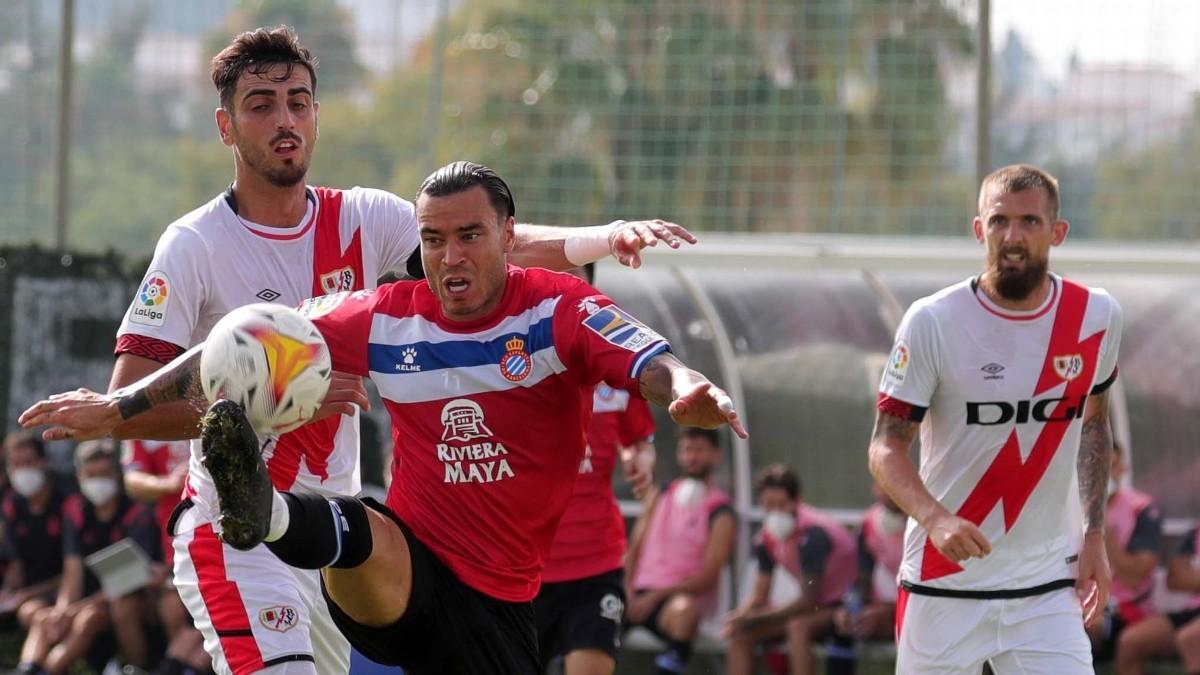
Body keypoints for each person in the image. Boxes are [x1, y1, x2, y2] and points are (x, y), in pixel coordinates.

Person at [31, 25, 692, 675]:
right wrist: (277, 396)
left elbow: (484, 245)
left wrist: (600, 238)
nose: (284, 119)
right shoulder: (193, 245)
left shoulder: (365, 218)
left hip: (328, 542)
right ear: (226, 127)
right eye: (261, 105)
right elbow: (134, 396)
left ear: (317, 115)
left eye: (298, 101)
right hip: (234, 531)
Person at [869, 164, 1123, 673]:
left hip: (1045, 587)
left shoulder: (1096, 316)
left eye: (1029, 222)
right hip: (945, 583)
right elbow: (885, 448)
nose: (1013, 236)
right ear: (978, 229)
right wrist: (936, 519)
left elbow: (1093, 422)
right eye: (999, 220)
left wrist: (1093, 533)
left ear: (1057, 232)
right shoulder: (932, 321)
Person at [534, 263, 658, 675]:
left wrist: (641, 456)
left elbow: (639, 437)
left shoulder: (614, 358)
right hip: (518, 564)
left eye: (573, 278)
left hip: (595, 563)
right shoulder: (509, 355)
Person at [14, 441, 163, 675]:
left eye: (105, 474)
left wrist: (77, 609)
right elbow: (72, 569)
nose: (98, 482)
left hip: (126, 600)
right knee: (45, 618)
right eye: (91, 475)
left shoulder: (137, 514)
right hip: (86, 600)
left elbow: (131, 578)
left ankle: (52, 669)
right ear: (80, 476)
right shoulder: (76, 512)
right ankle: (29, 668)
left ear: (117, 474)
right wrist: (63, 610)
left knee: (90, 618)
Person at [723, 464, 857, 675]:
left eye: (781, 504)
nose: (775, 512)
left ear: (797, 500)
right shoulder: (766, 537)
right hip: (814, 608)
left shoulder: (813, 535)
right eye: (768, 505)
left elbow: (807, 600)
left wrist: (754, 618)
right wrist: (739, 617)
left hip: (842, 607)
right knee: (741, 634)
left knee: (798, 626)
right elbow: (760, 595)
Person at [624, 427, 737, 675]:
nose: (692, 457)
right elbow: (634, 549)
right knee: (593, 612)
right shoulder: (660, 494)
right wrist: (628, 590)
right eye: (687, 450)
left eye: (699, 450)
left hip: (675, 601)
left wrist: (654, 597)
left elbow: (708, 577)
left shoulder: (721, 511)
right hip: (637, 595)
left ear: (715, 455)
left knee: (684, 613)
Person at [122, 440, 210, 675]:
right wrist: (168, 483)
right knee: (177, 608)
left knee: (214, 614)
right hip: (181, 545)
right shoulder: (143, 421)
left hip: (223, 537)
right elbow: (132, 480)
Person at [1087, 442, 1162, 665]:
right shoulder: (1069, 508)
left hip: (1126, 609)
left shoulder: (1141, 508)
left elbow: (1135, 576)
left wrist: (1103, 537)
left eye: (1109, 465)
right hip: (1077, 601)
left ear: (1121, 468)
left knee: (1086, 625)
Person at [1110, 521, 1200, 674]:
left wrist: (1192, 578)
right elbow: (1174, 579)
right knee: (1131, 641)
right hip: (1193, 610)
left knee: (1190, 639)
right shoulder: (1194, 534)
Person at [0, 432, 67, 629]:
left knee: (32, 613)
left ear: (43, 462)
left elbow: (75, 572)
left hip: (62, 594)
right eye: (16, 464)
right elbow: (15, 564)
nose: (22, 471)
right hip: (25, 594)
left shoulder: (67, 506)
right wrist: (8, 592)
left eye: (28, 462)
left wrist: (29, 594)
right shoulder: (11, 505)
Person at [832, 484, 906, 647]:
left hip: (924, 604)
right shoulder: (868, 523)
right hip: (895, 605)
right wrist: (852, 610)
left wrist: (887, 611)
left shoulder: (926, 523)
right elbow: (862, 579)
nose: (888, 493)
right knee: (847, 628)